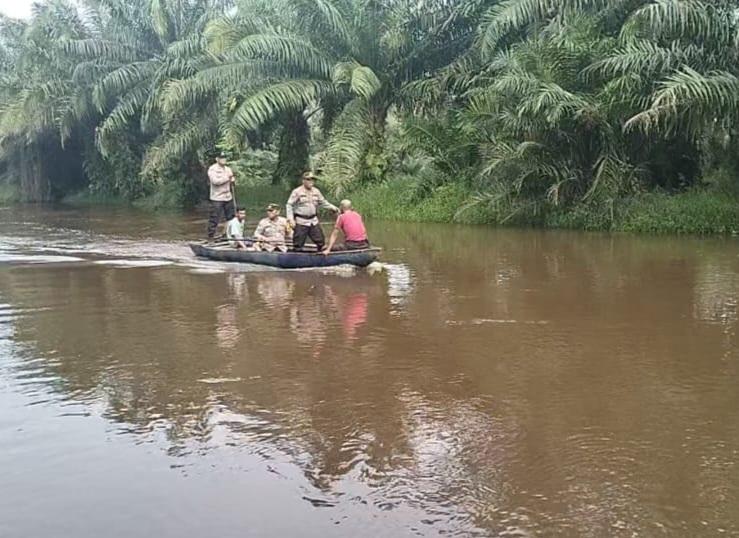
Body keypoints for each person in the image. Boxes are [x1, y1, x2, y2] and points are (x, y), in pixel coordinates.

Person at [286, 171, 338, 252]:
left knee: (321, 241)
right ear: (303, 180)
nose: (311, 181)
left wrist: (333, 207)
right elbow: (289, 205)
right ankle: (297, 259)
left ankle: (321, 256)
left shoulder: (316, 191)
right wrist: (290, 219)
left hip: (313, 221)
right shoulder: (297, 192)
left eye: (313, 179)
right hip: (301, 221)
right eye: (308, 179)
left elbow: (323, 202)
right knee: (298, 244)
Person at [206, 151, 236, 241]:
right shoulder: (212, 169)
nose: (223, 160)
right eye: (221, 158)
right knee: (214, 218)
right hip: (217, 197)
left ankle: (227, 235)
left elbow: (232, 181)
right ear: (217, 159)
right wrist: (228, 178)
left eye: (224, 158)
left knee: (231, 217)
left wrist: (233, 181)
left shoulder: (228, 169)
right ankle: (210, 237)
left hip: (228, 196)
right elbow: (215, 181)